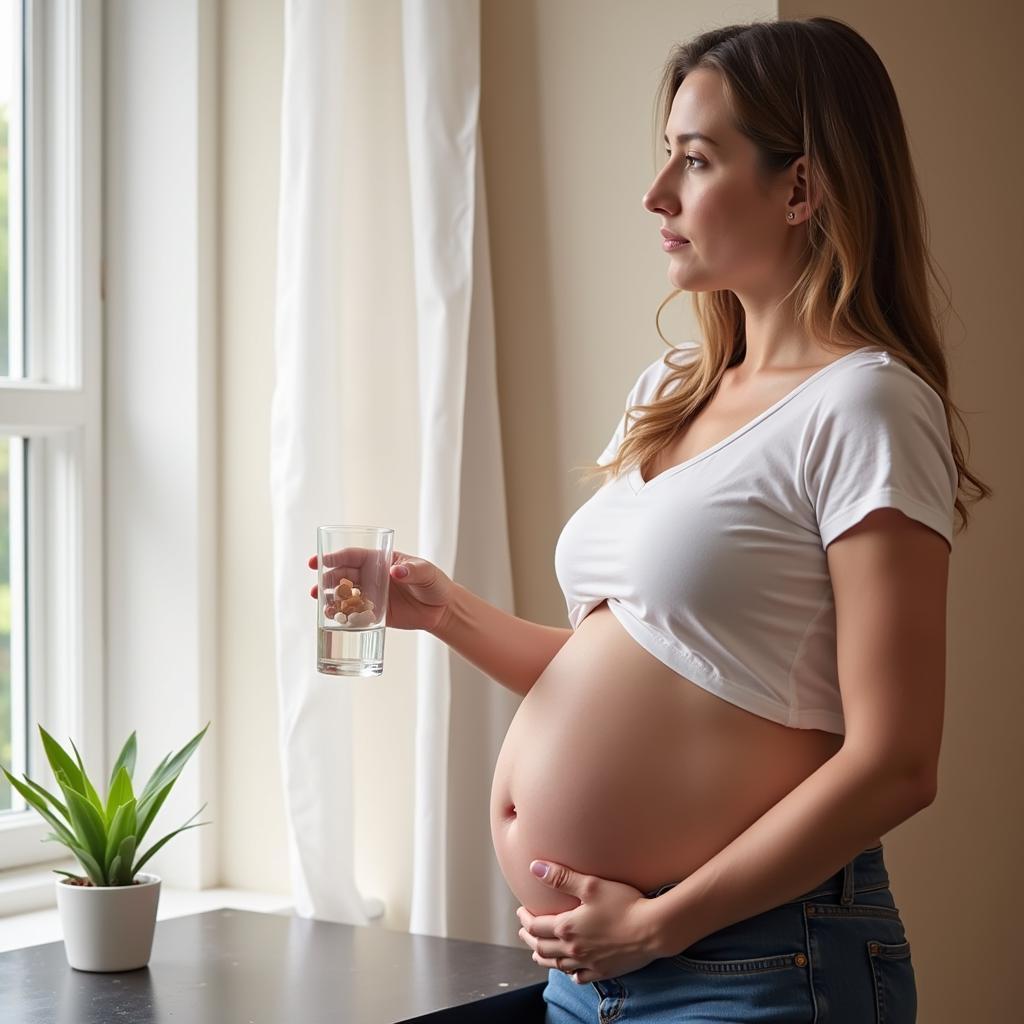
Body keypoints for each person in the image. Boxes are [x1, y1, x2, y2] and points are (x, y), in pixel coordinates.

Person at [310, 16, 991, 1023]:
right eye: (664, 155)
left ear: (801, 188)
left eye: (696, 159)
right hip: (593, 975)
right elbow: (653, 673)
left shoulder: (867, 405)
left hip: (756, 967)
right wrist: (443, 608)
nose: (656, 194)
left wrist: (660, 924)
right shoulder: (672, 385)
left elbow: (895, 761)